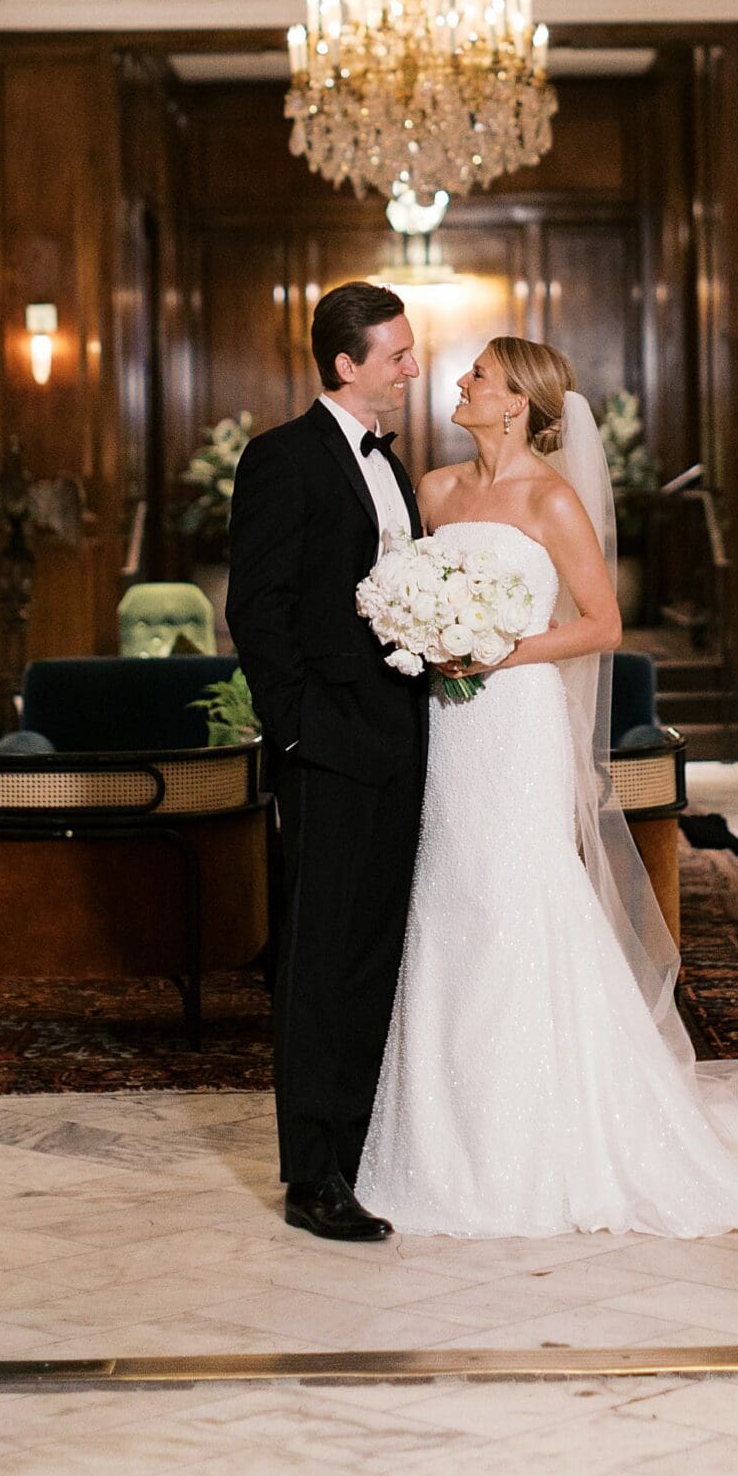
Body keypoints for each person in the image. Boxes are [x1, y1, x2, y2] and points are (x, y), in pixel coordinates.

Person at [355, 335, 738, 1238]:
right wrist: (421, 628)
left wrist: (498, 648)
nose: (463, 381)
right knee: (449, 898)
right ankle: (443, 1137)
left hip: (514, 721)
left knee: (520, 898)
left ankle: (549, 1136)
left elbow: (602, 624)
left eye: (479, 373)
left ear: (516, 400)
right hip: (449, 723)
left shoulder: (552, 500)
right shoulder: (434, 490)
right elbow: (401, 582)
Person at [226, 282, 426, 1243]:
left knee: (378, 950)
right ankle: (313, 1178)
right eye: (397, 355)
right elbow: (255, 612)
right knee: (316, 963)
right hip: (329, 745)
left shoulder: (396, 464)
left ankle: (361, 1149)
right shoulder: (281, 459)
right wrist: (297, 729)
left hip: (405, 740)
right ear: (347, 365)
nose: (413, 368)